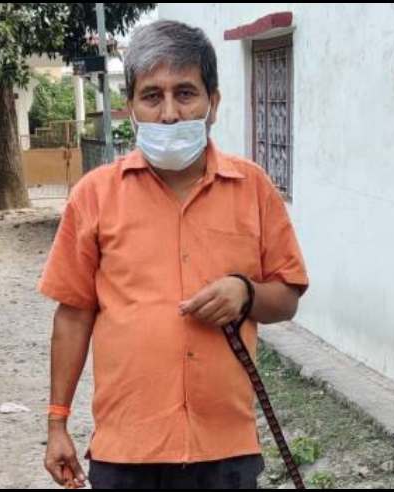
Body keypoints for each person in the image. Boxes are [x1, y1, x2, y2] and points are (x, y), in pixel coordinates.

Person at [40, 19, 308, 489]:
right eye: (152, 96)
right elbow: (73, 314)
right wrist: (57, 422)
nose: (169, 114)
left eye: (185, 93)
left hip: (224, 449)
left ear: (213, 104)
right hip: (127, 448)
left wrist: (245, 293)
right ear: (132, 107)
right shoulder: (94, 195)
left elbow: (286, 298)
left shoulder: (254, 189)